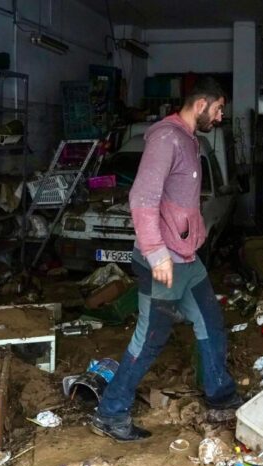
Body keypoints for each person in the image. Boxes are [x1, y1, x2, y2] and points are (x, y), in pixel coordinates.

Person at [90, 77, 241, 442]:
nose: (220, 117)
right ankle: (110, 414)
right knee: (151, 338)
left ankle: (221, 396)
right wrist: (157, 254)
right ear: (201, 104)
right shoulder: (166, 138)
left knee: (210, 322)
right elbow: (142, 199)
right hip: (165, 262)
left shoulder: (191, 139)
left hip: (187, 259)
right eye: (219, 109)